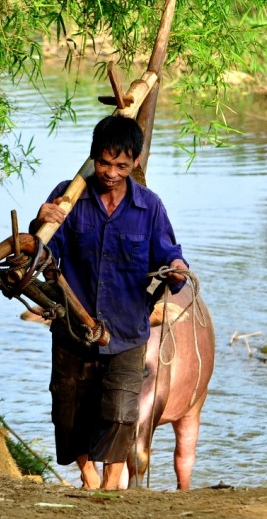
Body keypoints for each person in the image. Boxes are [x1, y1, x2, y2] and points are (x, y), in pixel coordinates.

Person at [31, 115, 188, 490]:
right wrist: (40, 223)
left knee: (120, 413)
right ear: (92, 158)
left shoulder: (150, 207)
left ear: (134, 163)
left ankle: (109, 484)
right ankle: (88, 476)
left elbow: (169, 253)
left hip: (126, 332)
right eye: (104, 163)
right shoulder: (68, 196)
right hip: (72, 328)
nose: (111, 173)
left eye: (121, 165)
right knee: (69, 412)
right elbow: (40, 255)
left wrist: (177, 268)